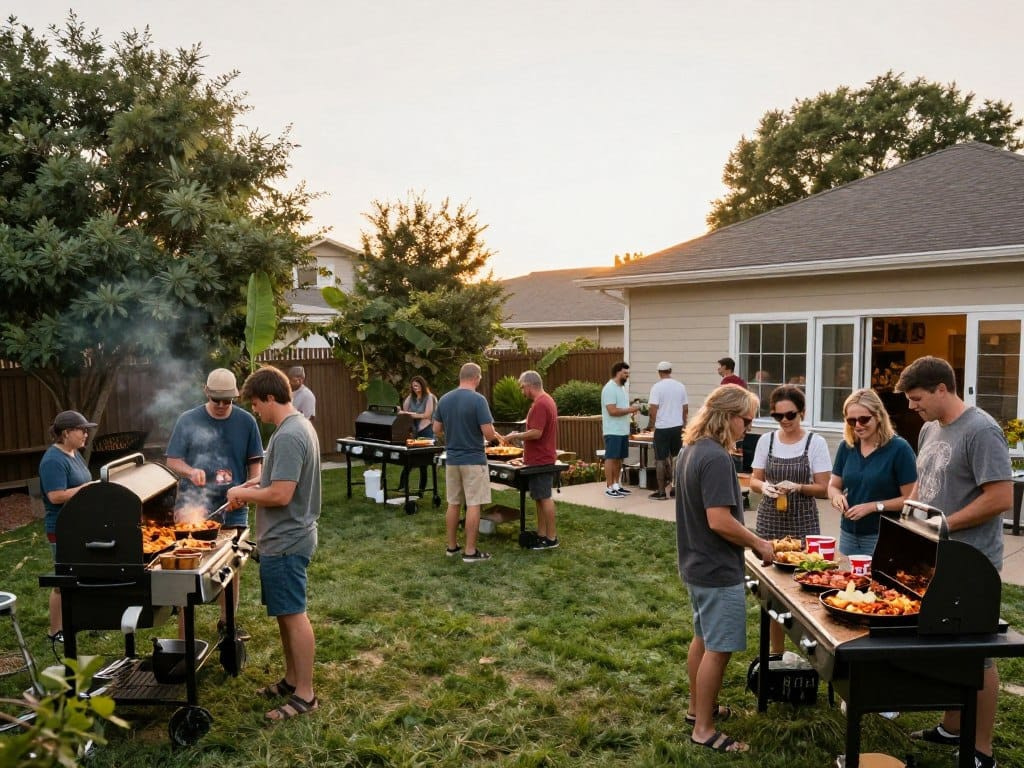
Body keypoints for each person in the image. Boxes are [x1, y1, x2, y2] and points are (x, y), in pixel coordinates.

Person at [896, 356, 1012, 768]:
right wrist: (912, 517)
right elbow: (927, 485)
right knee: (947, 644)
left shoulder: (982, 430)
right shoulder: (930, 427)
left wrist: (946, 524)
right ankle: (952, 727)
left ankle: (981, 752)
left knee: (977, 653)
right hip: (935, 556)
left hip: (972, 560)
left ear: (942, 389)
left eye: (917, 398)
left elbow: (1001, 498)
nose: (912, 407)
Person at [675, 384, 773, 755]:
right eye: (746, 421)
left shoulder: (691, 449)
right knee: (719, 649)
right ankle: (704, 729)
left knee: (702, 639)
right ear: (726, 417)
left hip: (696, 564)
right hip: (716, 569)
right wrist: (759, 543)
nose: (748, 428)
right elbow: (719, 520)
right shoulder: (716, 457)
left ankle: (698, 709)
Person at [226, 365, 322, 722]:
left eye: (255, 404)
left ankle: (305, 695)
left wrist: (240, 494)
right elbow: (276, 477)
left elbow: (281, 494)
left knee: (294, 615)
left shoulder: (289, 434)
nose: (255, 411)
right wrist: (249, 487)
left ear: (270, 397)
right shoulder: (297, 426)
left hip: (287, 539)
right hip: (287, 536)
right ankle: (292, 679)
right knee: (285, 613)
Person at [165, 368, 264, 641]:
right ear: (206, 393)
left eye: (227, 401)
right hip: (194, 505)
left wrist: (247, 491)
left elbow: (255, 464)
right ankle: (184, 632)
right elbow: (172, 460)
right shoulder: (188, 420)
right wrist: (190, 471)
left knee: (232, 564)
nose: (221, 405)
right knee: (187, 566)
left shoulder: (246, 422)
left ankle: (227, 623)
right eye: (216, 399)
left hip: (234, 505)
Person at [748, 384, 831, 655]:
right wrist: (764, 487)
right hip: (770, 520)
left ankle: (810, 651)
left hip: (802, 521)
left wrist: (798, 487)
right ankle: (776, 652)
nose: (784, 420)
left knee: (805, 584)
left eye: (790, 415)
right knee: (772, 589)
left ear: (802, 412)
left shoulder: (815, 443)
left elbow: (824, 488)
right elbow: (754, 480)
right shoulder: (767, 441)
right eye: (778, 416)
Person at [827, 388, 917, 556]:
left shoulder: (899, 449)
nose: (858, 425)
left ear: (878, 416)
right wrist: (836, 497)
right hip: (848, 534)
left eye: (864, 419)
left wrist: (874, 506)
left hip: (884, 536)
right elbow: (833, 485)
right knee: (846, 573)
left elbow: (911, 499)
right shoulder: (847, 446)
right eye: (852, 421)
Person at [433, 362, 502, 562]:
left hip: (452, 459)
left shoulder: (445, 399)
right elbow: (488, 433)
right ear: (476, 378)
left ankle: (452, 547)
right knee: (474, 504)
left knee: (453, 503)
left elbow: (436, 429)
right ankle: (470, 552)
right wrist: (495, 439)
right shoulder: (478, 400)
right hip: (473, 459)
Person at [39, 410, 96, 644]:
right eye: (82, 430)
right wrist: (86, 489)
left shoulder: (74, 453)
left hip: (80, 525)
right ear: (66, 433)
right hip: (62, 528)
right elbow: (55, 496)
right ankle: (55, 631)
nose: (86, 434)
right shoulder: (53, 460)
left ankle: (87, 621)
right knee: (62, 581)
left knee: (85, 574)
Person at [502, 370, 560, 549]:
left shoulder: (541, 404)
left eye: (522, 387)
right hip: (539, 458)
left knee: (544, 497)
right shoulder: (546, 400)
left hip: (541, 458)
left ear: (529, 385)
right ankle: (541, 534)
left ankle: (551, 538)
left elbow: (536, 433)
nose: (522, 391)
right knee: (539, 497)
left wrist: (515, 435)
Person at [647, 361, 688, 500]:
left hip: (662, 427)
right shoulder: (680, 386)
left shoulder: (656, 387)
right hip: (677, 426)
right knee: (677, 458)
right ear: (670, 371)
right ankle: (676, 489)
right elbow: (685, 408)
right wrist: (684, 424)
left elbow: (653, 408)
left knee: (660, 459)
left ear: (659, 372)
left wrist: (653, 424)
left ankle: (661, 492)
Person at [601, 361, 640, 498]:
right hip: (613, 430)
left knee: (619, 459)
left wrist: (631, 409)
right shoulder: (609, 388)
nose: (627, 375)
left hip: (622, 430)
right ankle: (609, 487)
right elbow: (612, 411)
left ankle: (616, 485)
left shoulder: (621, 388)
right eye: (625, 373)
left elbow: (622, 408)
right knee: (611, 457)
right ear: (617, 373)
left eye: (628, 373)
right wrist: (630, 409)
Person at [398, 375, 437, 495]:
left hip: (426, 431)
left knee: (423, 463)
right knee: (409, 459)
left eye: (417, 385)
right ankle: (401, 487)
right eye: (413, 386)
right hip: (414, 431)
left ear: (422, 385)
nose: (415, 387)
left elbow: (427, 414)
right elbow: (404, 411)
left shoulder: (429, 397)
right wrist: (403, 412)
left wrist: (411, 414)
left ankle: (421, 490)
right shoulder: (411, 397)